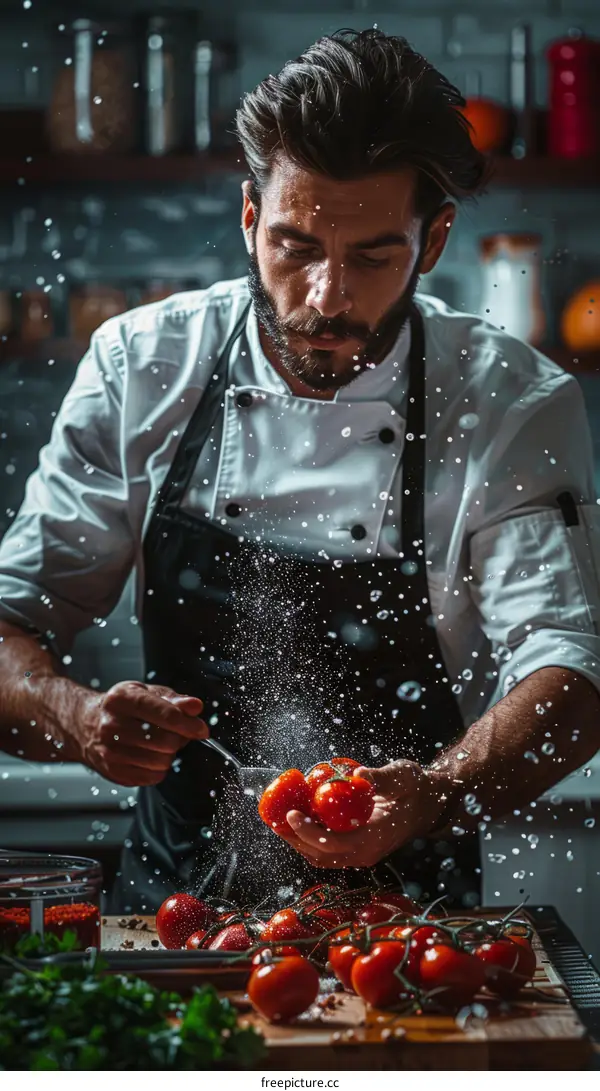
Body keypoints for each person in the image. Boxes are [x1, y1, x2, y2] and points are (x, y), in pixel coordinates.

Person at [0, 28, 599, 914]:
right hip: (174, 917)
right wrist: (78, 719)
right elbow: (13, 617)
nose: (325, 298)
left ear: (432, 241)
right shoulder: (142, 364)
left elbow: (571, 672)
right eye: (294, 247)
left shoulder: (510, 401)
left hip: (411, 931)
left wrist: (433, 791)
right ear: (250, 218)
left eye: (371, 257)